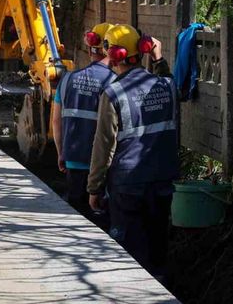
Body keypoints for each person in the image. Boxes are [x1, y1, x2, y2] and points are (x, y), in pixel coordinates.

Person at [87, 24, 178, 280]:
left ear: (113, 54)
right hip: (162, 180)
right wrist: (158, 58)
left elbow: (104, 145)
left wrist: (94, 188)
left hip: (128, 185)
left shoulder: (113, 93)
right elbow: (167, 78)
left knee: (129, 251)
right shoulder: (167, 87)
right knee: (157, 245)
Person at [51, 22, 115, 224]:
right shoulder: (115, 83)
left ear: (89, 49)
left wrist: (61, 152)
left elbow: (56, 121)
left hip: (73, 159)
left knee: (77, 218)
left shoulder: (67, 80)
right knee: (102, 220)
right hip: (104, 166)